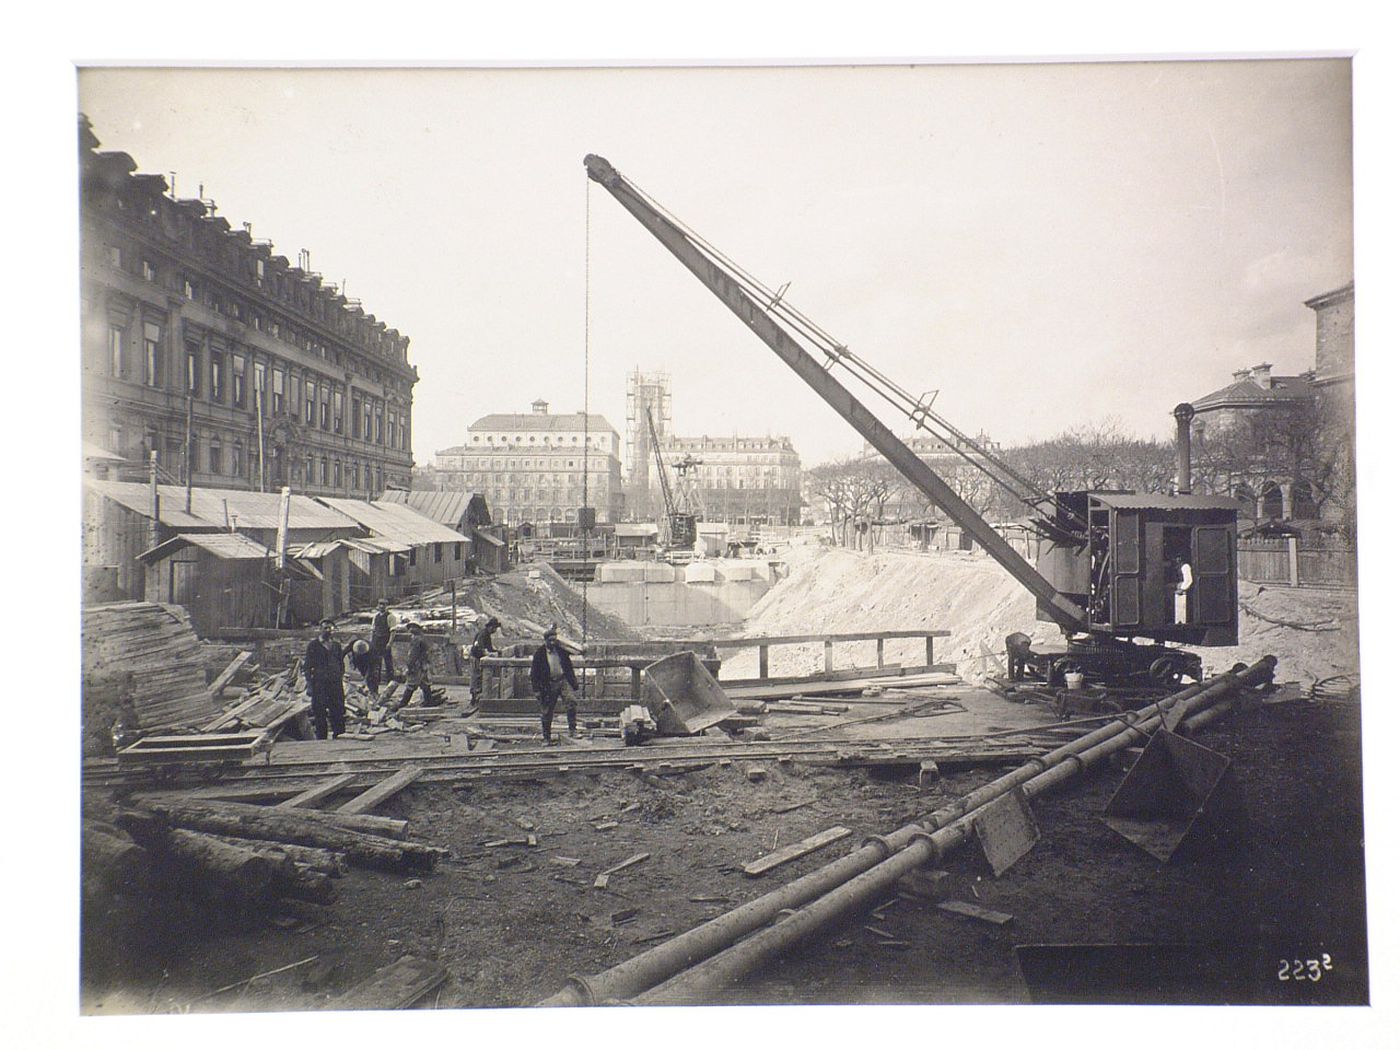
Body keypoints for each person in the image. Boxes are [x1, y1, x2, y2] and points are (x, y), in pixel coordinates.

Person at [530, 624, 579, 744]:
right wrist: (536, 690)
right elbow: (534, 673)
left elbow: (574, 653)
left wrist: (573, 682)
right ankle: (547, 737)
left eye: (554, 640)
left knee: (571, 701)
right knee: (547, 710)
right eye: (550, 640)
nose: (552, 643)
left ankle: (572, 730)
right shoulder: (540, 653)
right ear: (545, 640)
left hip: (563, 680)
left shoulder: (561, 650)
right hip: (548, 684)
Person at [303, 618, 348, 739]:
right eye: (325, 628)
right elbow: (307, 667)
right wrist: (309, 684)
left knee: (338, 709)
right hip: (320, 683)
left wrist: (340, 676)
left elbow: (340, 663)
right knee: (320, 711)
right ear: (320, 630)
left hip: (335, 683)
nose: (328, 631)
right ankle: (321, 739)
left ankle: (340, 736)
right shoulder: (313, 645)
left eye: (330, 628)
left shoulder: (336, 646)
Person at [399, 622, 434, 707]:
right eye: (410, 627)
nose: (411, 629)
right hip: (423, 664)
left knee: (411, 684)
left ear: (418, 629)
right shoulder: (421, 638)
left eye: (413, 627)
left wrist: (409, 666)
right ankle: (428, 702)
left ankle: (403, 703)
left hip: (417, 665)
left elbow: (413, 655)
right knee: (425, 683)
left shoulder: (417, 639)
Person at [468, 616, 502, 702]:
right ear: (491, 627)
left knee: (479, 677)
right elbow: (480, 646)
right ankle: (474, 697)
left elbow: (489, 647)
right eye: (494, 628)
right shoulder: (483, 634)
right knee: (476, 677)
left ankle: (478, 696)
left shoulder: (487, 635)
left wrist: (497, 651)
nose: (495, 630)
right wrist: (486, 653)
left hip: (479, 657)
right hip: (476, 657)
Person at [369, 599, 397, 688]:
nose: (381, 606)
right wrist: (371, 642)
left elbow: (393, 631)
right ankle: (377, 680)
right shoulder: (376, 616)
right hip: (376, 641)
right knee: (377, 661)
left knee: (388, 661)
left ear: (386, 606)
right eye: (380, 604)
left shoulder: (390, 616)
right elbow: (373, 630)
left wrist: (390, 643)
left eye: (384, 605)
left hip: (385, 641)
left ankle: (390, 680)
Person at [1173, 556, 1194, 624]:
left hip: (1186, 590)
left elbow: (1189, 580)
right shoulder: (1180, 567)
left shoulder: (1185, 566)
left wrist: (1182, 589)